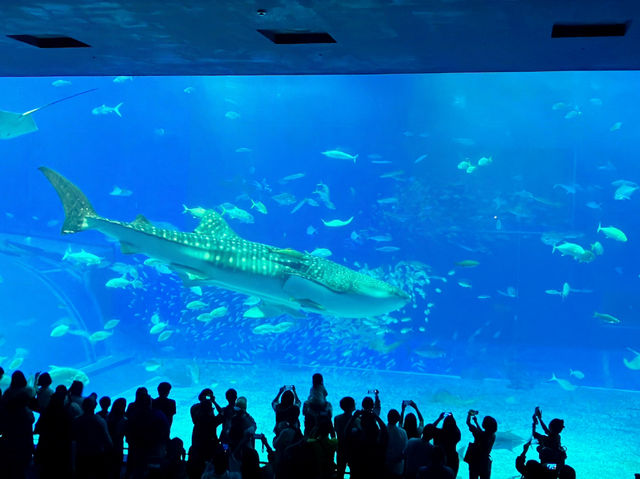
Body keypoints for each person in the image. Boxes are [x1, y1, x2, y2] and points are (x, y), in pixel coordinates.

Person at [0, 370, 36, 479]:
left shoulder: (7, 392)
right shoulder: (26, 392)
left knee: (12, 460)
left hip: (9, 432)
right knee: (24, 461)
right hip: (23, 435)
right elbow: (33, 395)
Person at [34, 385, 73, 479]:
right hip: (61, 451)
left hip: (45, 448)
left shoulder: (46, 412)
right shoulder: (66, 414)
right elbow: (70, 434)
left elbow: (37, 429)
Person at [72, 397, 113, 479]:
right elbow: (108, 441)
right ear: (94, 406)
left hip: (81, 454)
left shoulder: (77, 420)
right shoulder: (100, 421)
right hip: (96, 455)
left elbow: (73, 439)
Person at [187, 388, 223, 479]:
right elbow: (223, 413)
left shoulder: (197, 414)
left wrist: (207, 401)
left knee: (199, 465)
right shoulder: (212, 421)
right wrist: (213, 402)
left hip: (198, 443)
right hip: (210, 444)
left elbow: (196, 412)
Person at [464, 410, 497, 479]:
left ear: (484, 425)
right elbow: (483, 433)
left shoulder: (479, 435)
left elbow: (468, 423)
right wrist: (476, 423)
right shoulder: (492, 435)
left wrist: (469, 415)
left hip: (475, 461)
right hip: (485, 462)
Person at [432, 412, 461, 477]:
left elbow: (430, 428)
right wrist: (452, 419)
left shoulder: (438, 433)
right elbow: (457, 431)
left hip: (438, 459)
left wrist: (439, 418)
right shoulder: (455, 434)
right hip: (452, 459)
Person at [333, 397, 356, 479]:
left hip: (340, 448)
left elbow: (337, 432)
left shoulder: (337, 418)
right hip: (352, 450)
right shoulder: (356, 420)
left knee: (340, 472)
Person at [107, 398, 128, 479]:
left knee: (109, 468)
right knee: (117, 468)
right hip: (118, 446)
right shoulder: (124, 420)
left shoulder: (108, 417)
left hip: (108, 446)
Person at [385, 408, 408, 479]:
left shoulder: (383, 432)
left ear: (387, 418)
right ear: (398, 419)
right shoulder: (403, 432)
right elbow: (405, 450)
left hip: (386, 467)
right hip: (399, 468)